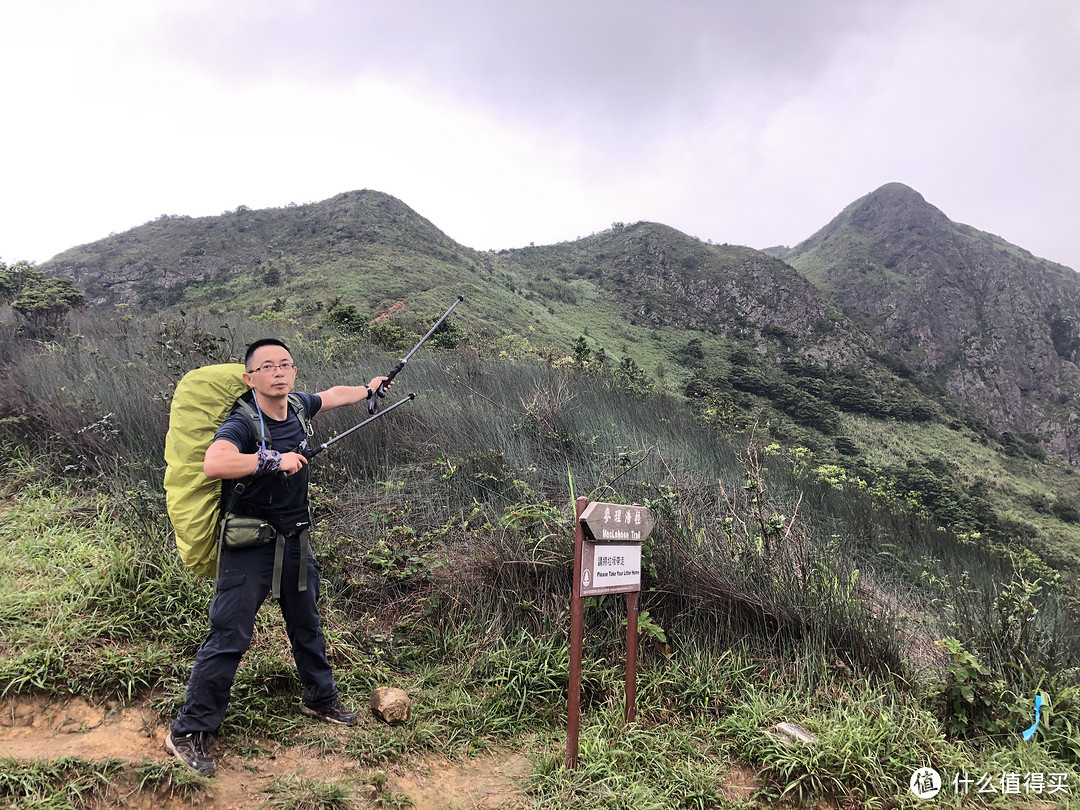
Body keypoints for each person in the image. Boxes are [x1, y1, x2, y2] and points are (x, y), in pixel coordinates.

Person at [165, 338, 391, 776]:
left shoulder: (300, 407)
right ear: (250, 378)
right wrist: (272, 460)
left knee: (306, 622)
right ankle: (190, 730)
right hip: (249, 546)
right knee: (230, 635)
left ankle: (320, 698)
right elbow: (215, 464)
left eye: (285, 364)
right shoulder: (242, 422)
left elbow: (333, 396)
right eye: (268, 367)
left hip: (295, 540)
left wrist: (368, 389)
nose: (279, 372)